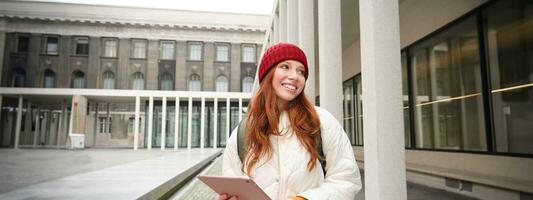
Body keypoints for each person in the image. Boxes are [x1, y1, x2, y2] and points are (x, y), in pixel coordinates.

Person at [219, 43, 361, 200]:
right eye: (285, 67)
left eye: (301, 71)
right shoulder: (243, 131)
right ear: (268, 74)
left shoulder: (322, 122)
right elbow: (233, 184)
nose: (295, 76)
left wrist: (305, 199)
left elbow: (346, 180)